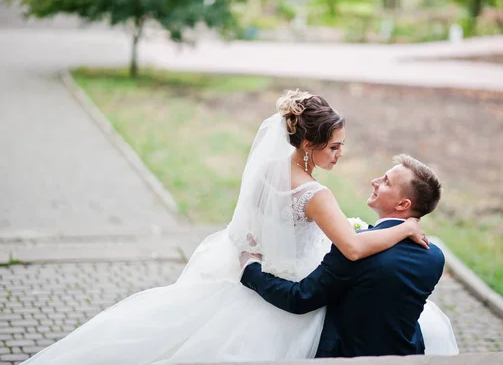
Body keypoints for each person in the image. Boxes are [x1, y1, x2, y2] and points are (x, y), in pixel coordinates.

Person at [22, 90, 434, 365]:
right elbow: (355, 249)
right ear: (308, 145)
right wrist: (403, 227)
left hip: (247, 278)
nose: (341, 153)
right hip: (288, 300)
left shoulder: (266, 176)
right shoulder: (315, 195)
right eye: (334, 146)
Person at [240, 154, 459, 357]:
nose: (374, 181)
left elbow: (299, 298)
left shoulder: (356, 250)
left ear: (403, 204)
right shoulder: (435, 257)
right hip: (408, 355)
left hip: (350, 358)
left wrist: (251, 267)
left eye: (386, 182)